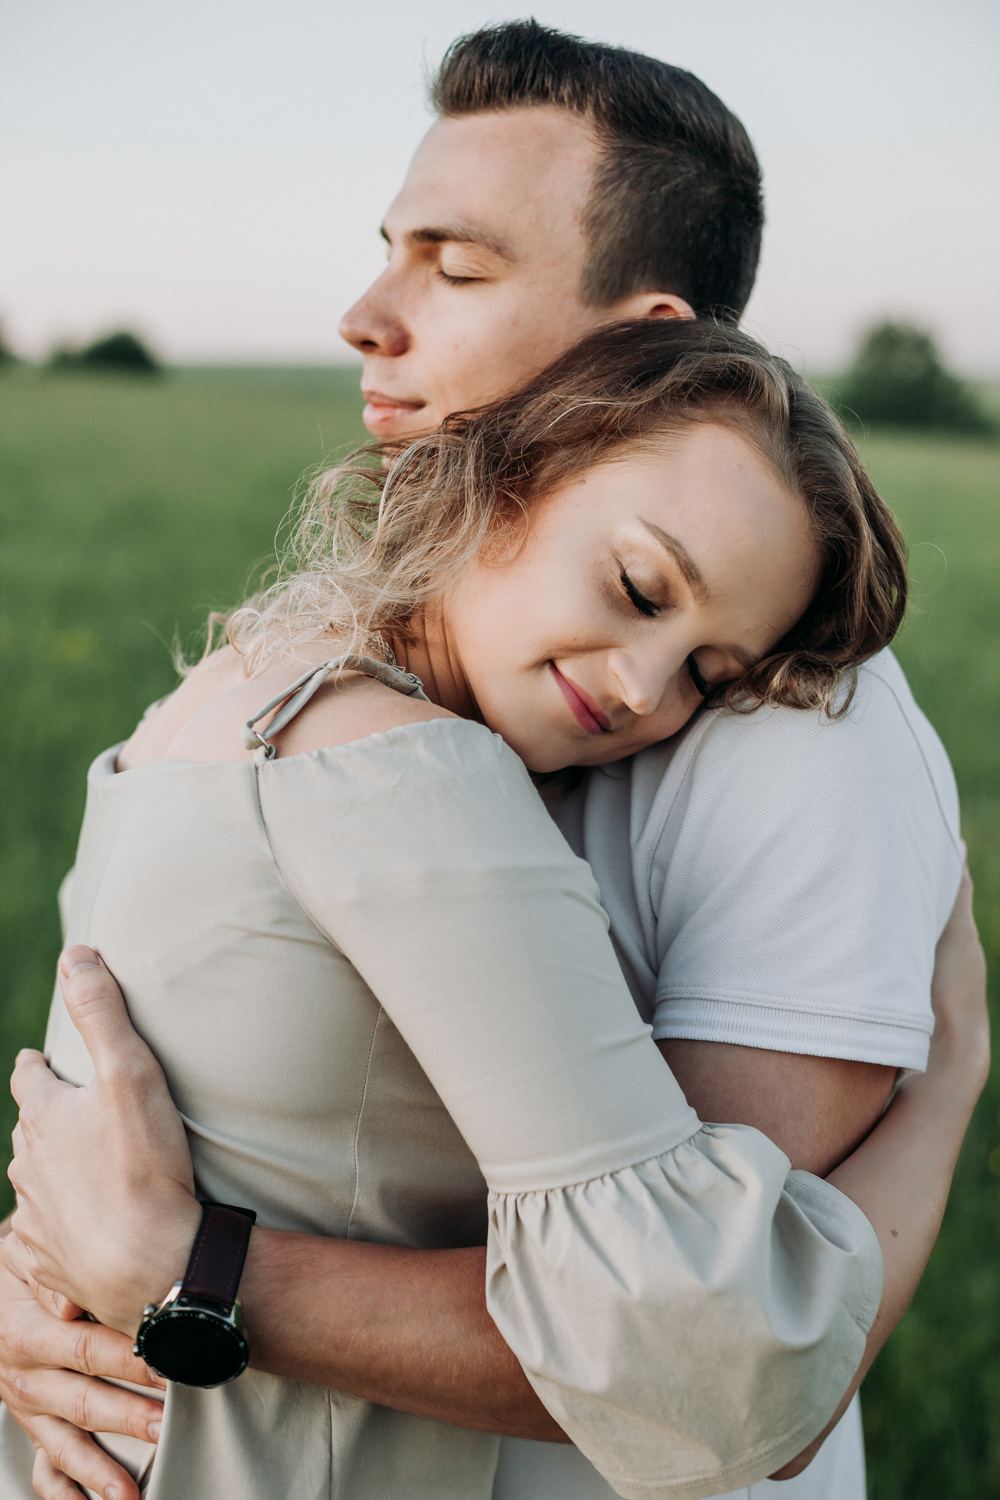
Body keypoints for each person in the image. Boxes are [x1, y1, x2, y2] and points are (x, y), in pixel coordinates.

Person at [0, 22, 987, 1500]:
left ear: (634, 348)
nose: (365, 315)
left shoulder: (795, 724)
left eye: (456, 270)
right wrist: (62, 1285)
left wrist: (181, 1273)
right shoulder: (354, 710)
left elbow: (707, 1338)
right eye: (393, 250)